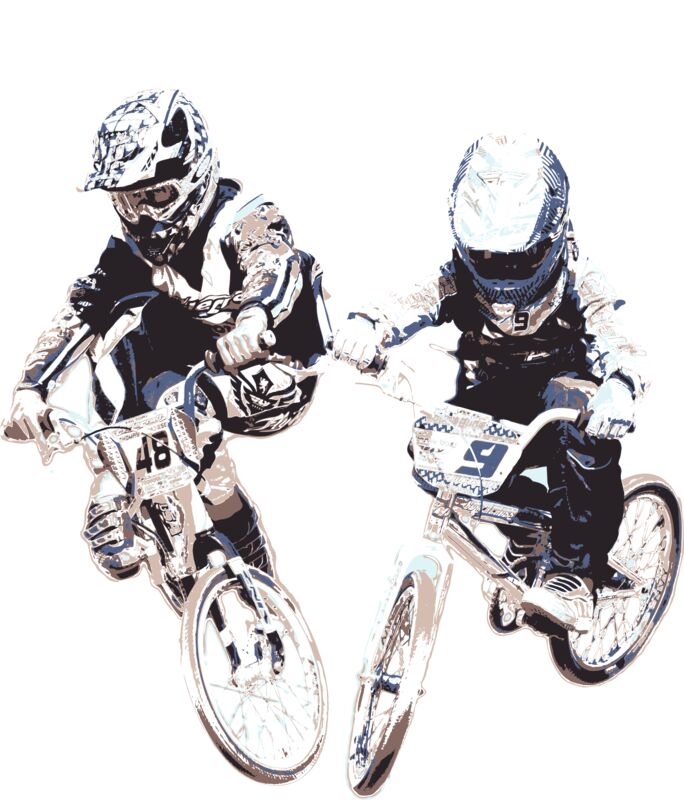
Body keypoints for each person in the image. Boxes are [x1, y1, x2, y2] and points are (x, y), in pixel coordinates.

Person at [3, 89, 328, 580]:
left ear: (194, 177)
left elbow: (275, 265)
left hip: (277, 369)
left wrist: (254, 320)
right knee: (126, 342)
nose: (145, 218)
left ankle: (120, 496)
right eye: (129, 202)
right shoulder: (132, 251)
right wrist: (31, 388)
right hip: (200, 374)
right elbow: (83, 309)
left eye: (157, 197)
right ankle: (151, 507)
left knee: (185, 399)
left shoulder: (246, 218)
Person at [333, 133, 647, 629]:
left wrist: (622, 385)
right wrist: (368, 325)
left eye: (517, 259)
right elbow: (411, 300)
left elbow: (618, 335)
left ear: (552, 237)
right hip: (497, 394)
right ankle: (528, 532)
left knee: (578, 417)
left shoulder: (580, 279)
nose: (501, 275)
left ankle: (573, 575)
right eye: (486, 257)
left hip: (563, 402)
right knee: (431, 446)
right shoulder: (458, 277)